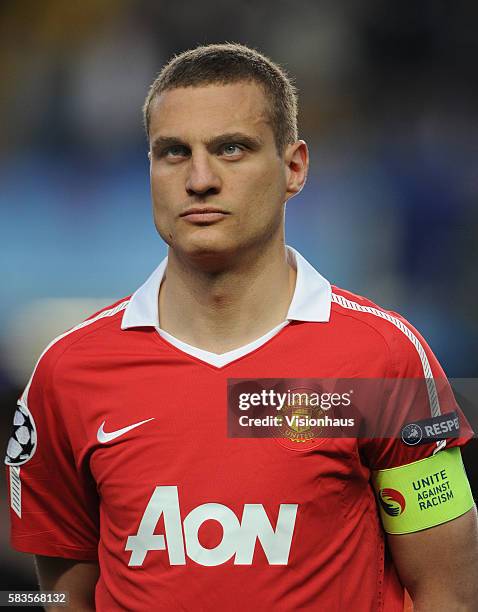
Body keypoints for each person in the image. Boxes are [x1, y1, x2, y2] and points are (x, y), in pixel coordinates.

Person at [5, 43, 478, 611]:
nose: (200, 179)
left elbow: (447, 590)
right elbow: (62, 596)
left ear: (294, 168)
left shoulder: (382, 359)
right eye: (174, 152)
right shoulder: (71, 370)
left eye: (232, 149)